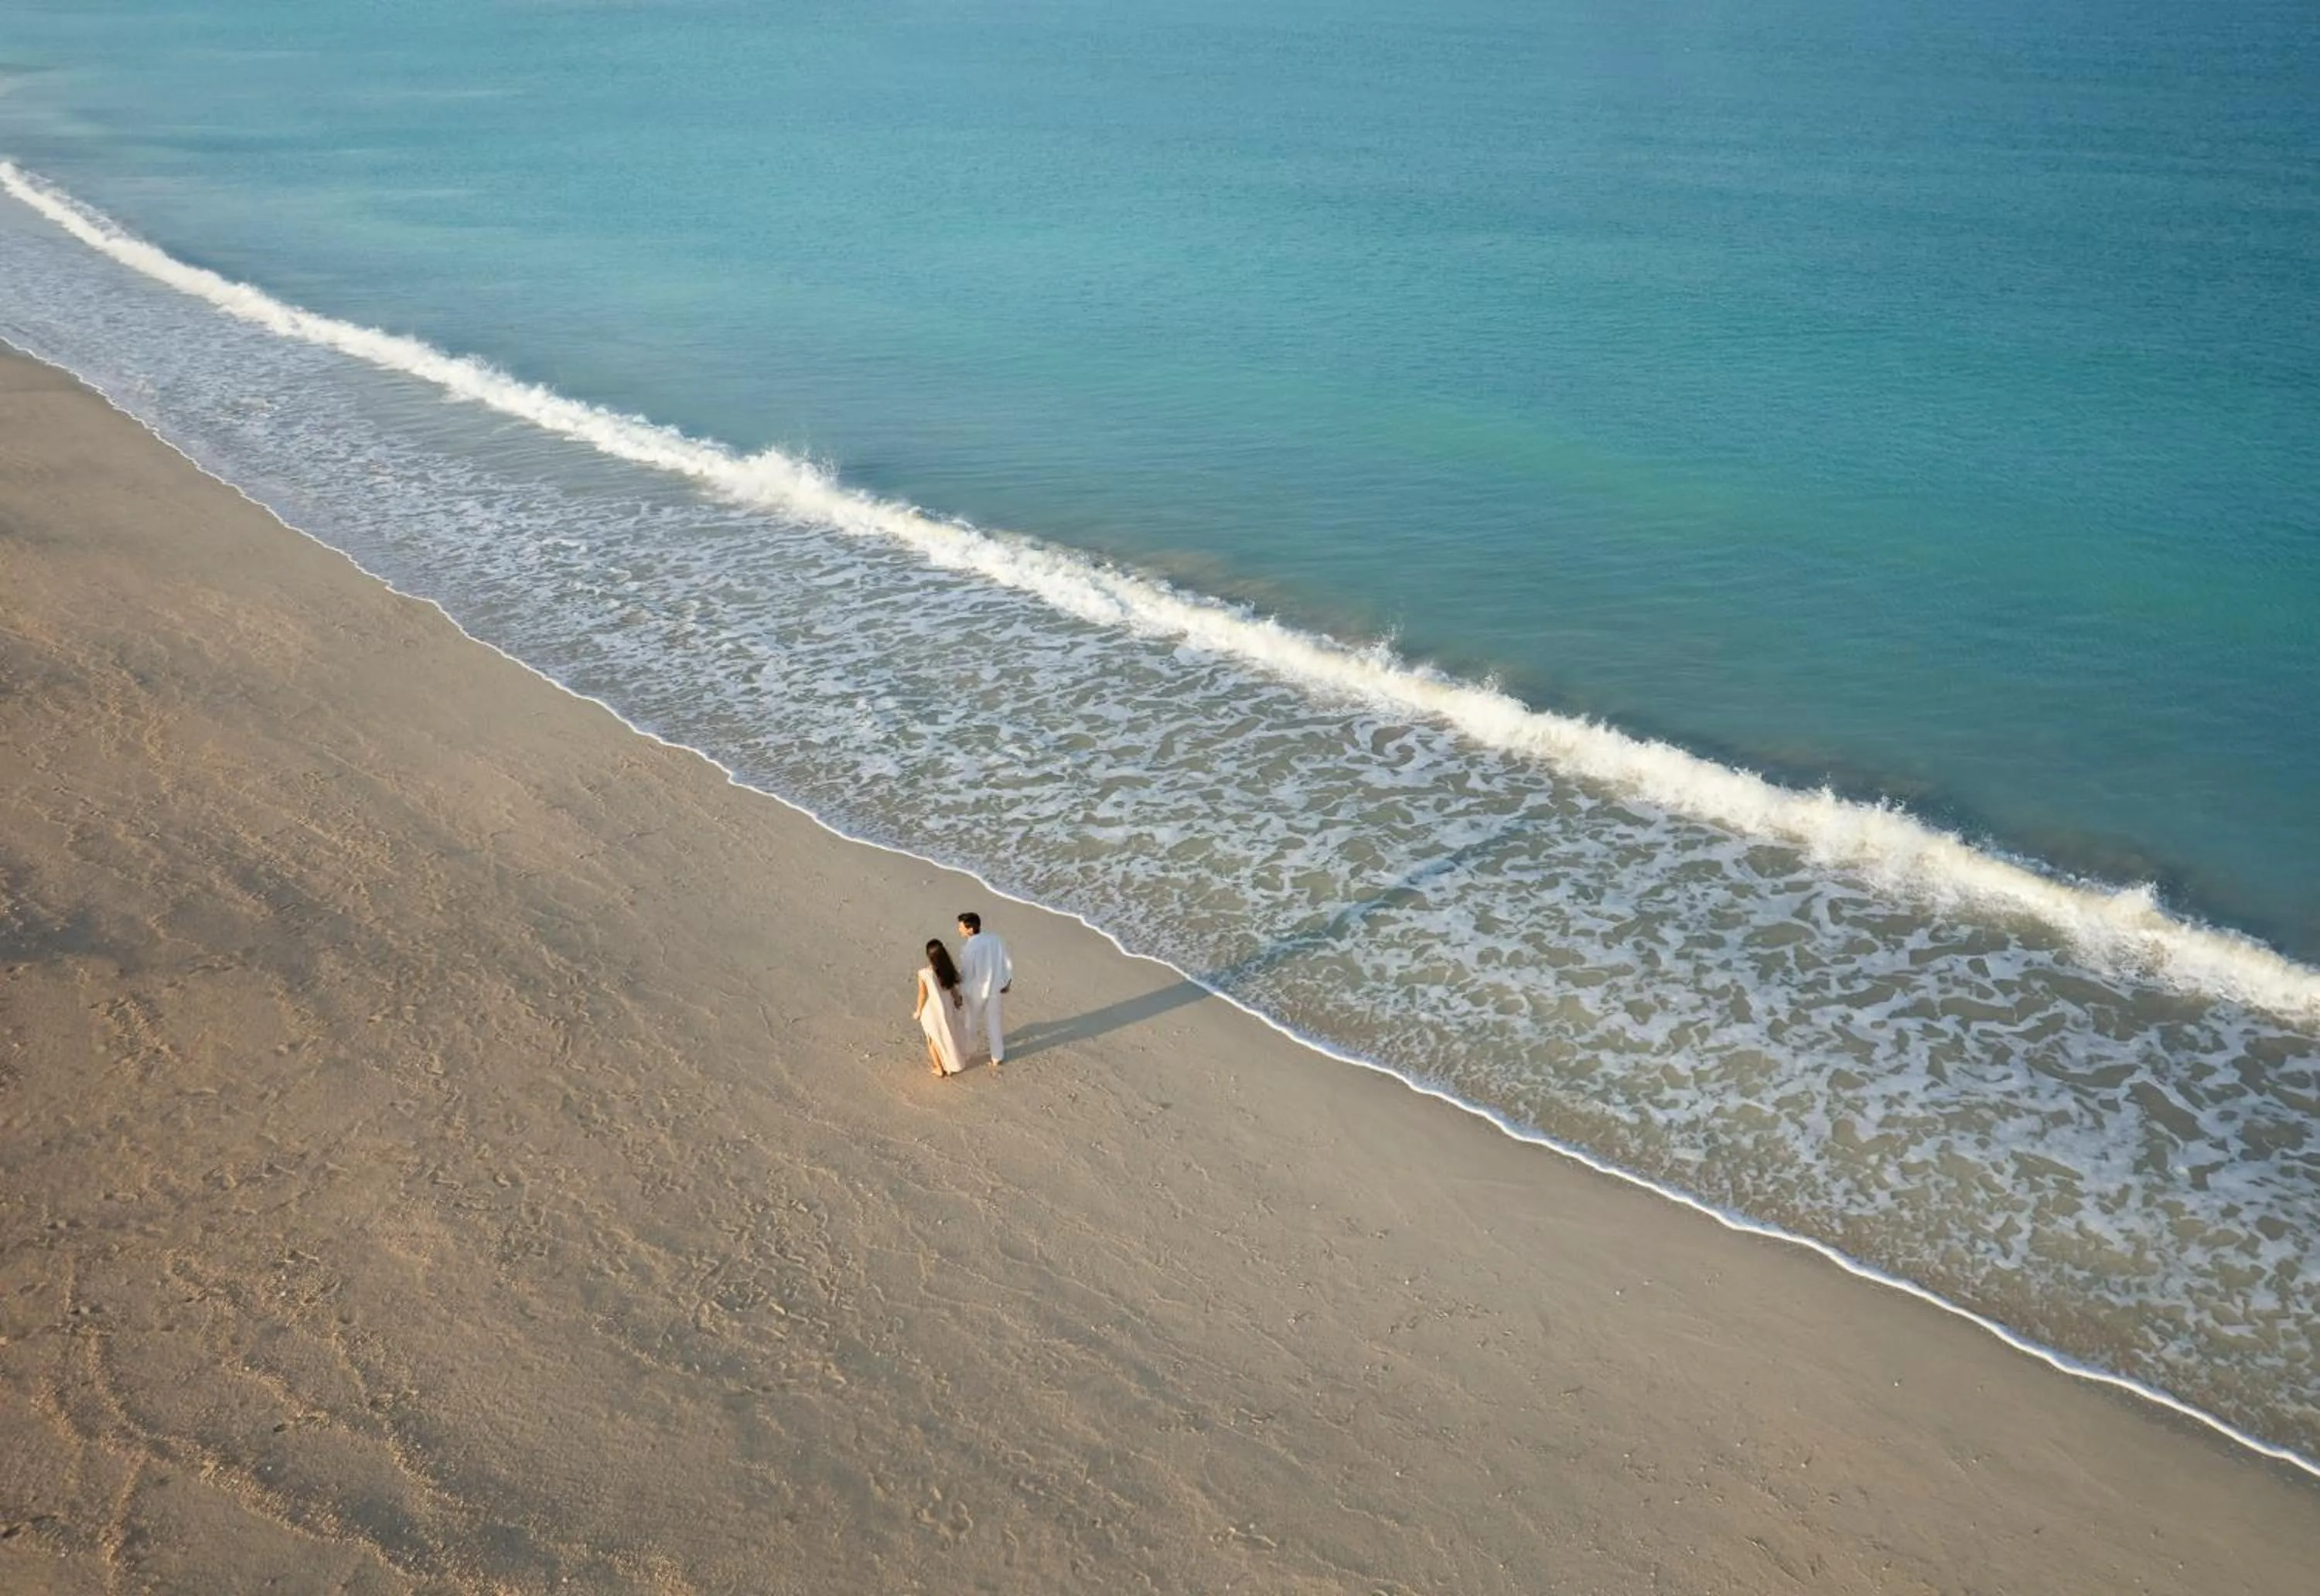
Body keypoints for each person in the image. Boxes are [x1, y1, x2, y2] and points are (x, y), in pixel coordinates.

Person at [956, 911, 1013, 1068]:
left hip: (975, 991)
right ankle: (997, 1056)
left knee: (971, 1022)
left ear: (970, 929)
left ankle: (968, 1051)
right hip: (995, 988)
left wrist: (959, 992)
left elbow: (967, 973)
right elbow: (1006, 960)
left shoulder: (969, 948)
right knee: (994, 1022)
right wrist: (1007, 981)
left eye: (961, 927)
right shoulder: (995, 939)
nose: (959, 930)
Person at [914, 939, 969, 1079]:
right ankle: (949, 1064)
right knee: (946, 1036)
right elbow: (952, 989)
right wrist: (957, 1000)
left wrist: (918, 1011)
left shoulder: (924, 974)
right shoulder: (947, 970)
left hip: (932, 1012)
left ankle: (939, 1068)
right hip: (947, 1009)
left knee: (932, 1040)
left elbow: (922, 995)